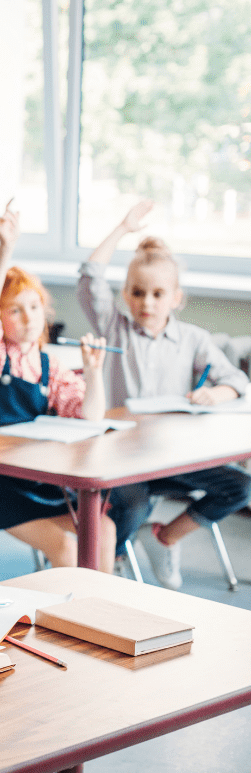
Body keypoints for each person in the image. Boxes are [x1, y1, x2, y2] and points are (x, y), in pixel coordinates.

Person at [79, 201, 250, 589]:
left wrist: (215, 395)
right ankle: (115, 557)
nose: (147, 303)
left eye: (158, 294)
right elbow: (90, 276)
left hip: (174, 456)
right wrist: (123, 227)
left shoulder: (193, 339)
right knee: (134, 504)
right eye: (138, 293)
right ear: (126, 294)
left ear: (176, 298)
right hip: (123, 458)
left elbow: (236, 380)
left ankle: (164, 538)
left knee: (240, 487)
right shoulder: (114, 327)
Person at [0, 201, 116, 572]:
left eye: (34, 306)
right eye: (15, 309)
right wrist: (5, 249)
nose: (28, 316)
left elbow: (89, 414)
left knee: (103, 529)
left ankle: (101, 615)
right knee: (63, 547)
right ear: (1, 316)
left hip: (31, 477)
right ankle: (68, 624)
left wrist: (93, 374)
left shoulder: (49, 364)